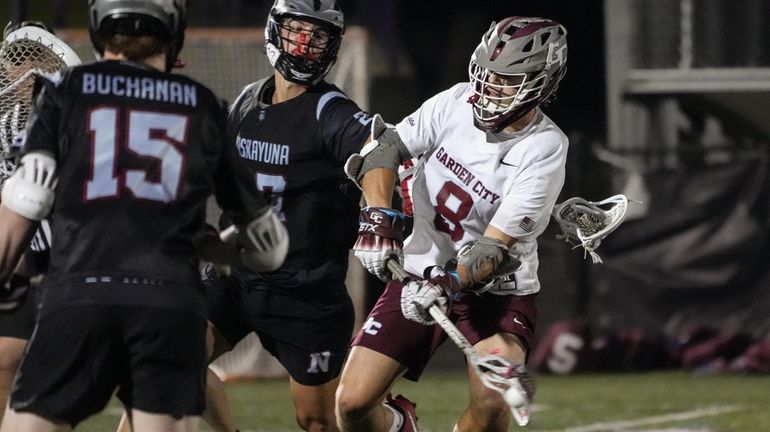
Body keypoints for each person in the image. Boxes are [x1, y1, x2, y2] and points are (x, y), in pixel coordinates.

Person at [0, 0, 288, 430]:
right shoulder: (203, 104)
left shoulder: (64, 90)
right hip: (169, 305)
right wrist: (210, 248)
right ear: (173, 35)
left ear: (100, 29)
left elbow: (25, 204)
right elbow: (268, 246)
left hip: (81, 293)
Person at [336, 16, 569, 432]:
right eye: (487, 75)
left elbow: (491, 250)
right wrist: (377, 217)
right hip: (417, 271)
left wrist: (445, 283)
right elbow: (383, 151)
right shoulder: (456, 101)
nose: (489, 89)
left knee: (491, 401)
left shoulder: (545, 147)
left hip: (493, 291)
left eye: (506, 80)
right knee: (351, 405)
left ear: (542, 83)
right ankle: (399, 423)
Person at [200, 1, 371, 431]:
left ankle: (391, 422)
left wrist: (383, 213)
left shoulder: (332, 112)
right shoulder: (246, 100)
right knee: (167, 360)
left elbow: (381, 152)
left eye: (319, 37)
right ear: (275, 30)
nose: (306, 44)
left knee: (317, 421)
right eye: (297, 31)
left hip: (304, 294)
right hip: (238, 278)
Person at [0, 20, 82, 425]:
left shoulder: (63, 111)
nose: (16, 71)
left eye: (25, 60)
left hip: (77, 258)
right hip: (31, 259)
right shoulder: (8, 116)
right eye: (11, 62)